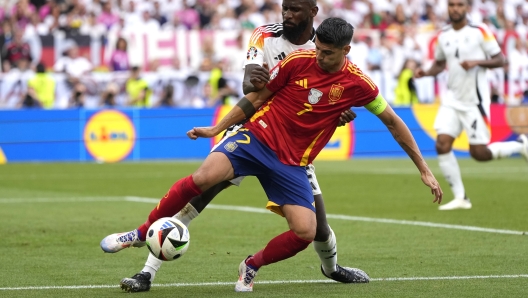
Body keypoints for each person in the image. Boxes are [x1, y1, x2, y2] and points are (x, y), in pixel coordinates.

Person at [101, 17, 443, 293]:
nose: (319, 57)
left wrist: (424, 169)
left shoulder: (360, 85)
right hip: (256, 139)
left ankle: (252, 265)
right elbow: (257, 96)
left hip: (294, 162)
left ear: (346, 50)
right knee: (203, 181)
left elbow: (394, 122)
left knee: (309, 231)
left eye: (327, 53)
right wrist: (217, 128)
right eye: (318, 49)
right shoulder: (295, 60)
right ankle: (142, 233)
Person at [117, 0, 360, 292]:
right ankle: (146, 273)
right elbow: (249, 83)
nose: (286, 14)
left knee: (317, 227)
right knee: (199, 194)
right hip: (252, 130)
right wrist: (253, 80)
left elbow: (334, 96)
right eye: (285, 7)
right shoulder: (264, 35)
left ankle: (331, 269)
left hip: (293, 148)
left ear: (312, 12)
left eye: (295, 9)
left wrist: (339, 112)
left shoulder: (324, 49)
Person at [414, 0, 528, 211]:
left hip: (474, 102)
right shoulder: (444, 34)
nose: (455, 8)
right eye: (451, 5)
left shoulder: (480, 31)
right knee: (442, 144)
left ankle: (520, 145)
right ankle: (461, 197)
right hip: (452, 100)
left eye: (459, 5)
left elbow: (500, 59)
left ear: (466, 8)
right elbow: (440, 63)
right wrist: (426, 73)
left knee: (479, 153)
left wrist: (476, 62)